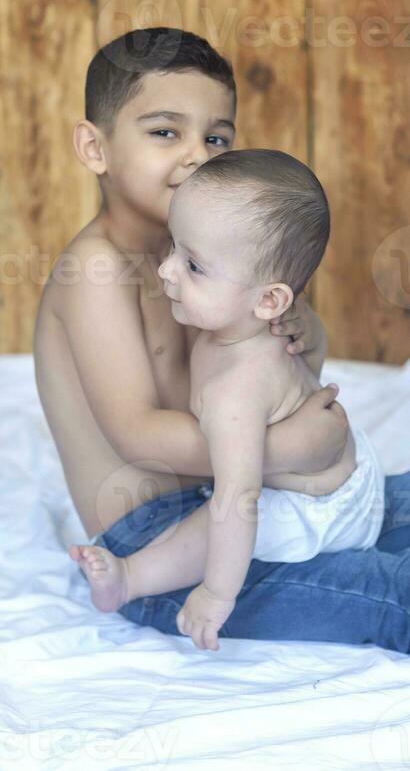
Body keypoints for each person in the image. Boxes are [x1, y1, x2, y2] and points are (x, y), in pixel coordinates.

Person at [35, 27, 410, 656]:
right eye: (165, 132)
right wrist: (284, 446)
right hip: (159, 547)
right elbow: (137, 432)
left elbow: (283, 371)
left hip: (252, 500)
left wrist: (302, 331)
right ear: (94, 146)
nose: (195, 155)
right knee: (382, 592)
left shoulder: (214, 257)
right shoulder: (96, 270)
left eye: (215, 137)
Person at [68, 149, 385, 651]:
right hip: (346, 468)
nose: (168, 270)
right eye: (174, 248)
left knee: (217, 516)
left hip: (322, 509)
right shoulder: (242, 324)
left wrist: (216, 594)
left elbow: (239, 500)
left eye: (193, 265)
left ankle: (131, 578)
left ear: (268, 300)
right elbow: (304, 375)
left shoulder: (236, 392)